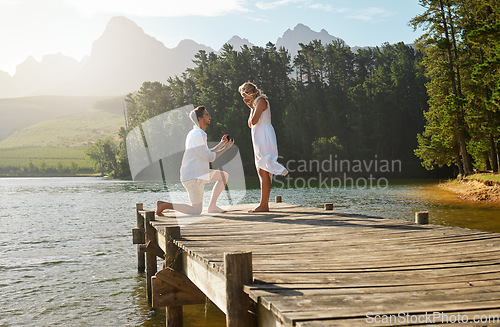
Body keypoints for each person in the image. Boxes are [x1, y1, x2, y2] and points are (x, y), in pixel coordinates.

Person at [156, 106, 234, 216]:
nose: (210, 117)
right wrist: (226, 148)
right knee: (196, 210)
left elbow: (206, 153)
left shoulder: (196, 133)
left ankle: (212, 206)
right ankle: (165, 205)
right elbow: (208, 157)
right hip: (193, 177)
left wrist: (221, 144)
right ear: (200, 119)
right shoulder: (198, 135)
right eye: (207, 115)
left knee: (223, 176)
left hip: (199, 173)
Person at [239, 82, 288, 212]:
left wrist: (252, 108)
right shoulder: (255, 105)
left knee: (264, 169)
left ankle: (264, 205)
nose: (244, 99)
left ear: (250, 93)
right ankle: (264, 204)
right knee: (261, 169)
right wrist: (251, 107)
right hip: (258, 137)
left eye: (244, 95)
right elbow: (250, 124)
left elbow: (254, 121)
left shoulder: (261, 101)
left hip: (265, 136)